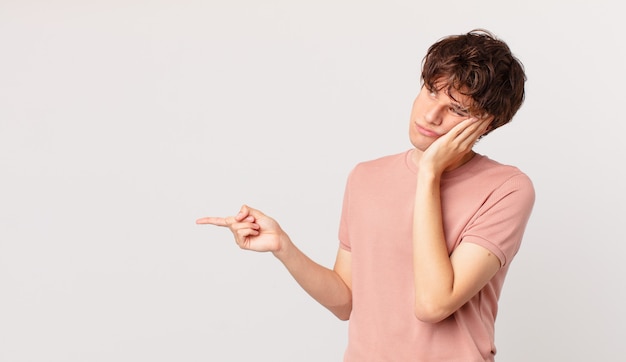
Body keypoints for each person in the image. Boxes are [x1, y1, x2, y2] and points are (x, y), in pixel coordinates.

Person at [197, 29, 535, 361]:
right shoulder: (366, 177)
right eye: (431, 92)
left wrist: (429, 174)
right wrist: (284, 247)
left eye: (458, 110)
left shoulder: (505, 189)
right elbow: (345, 301)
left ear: (486, 124)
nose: (431, 115)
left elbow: (434, 304)